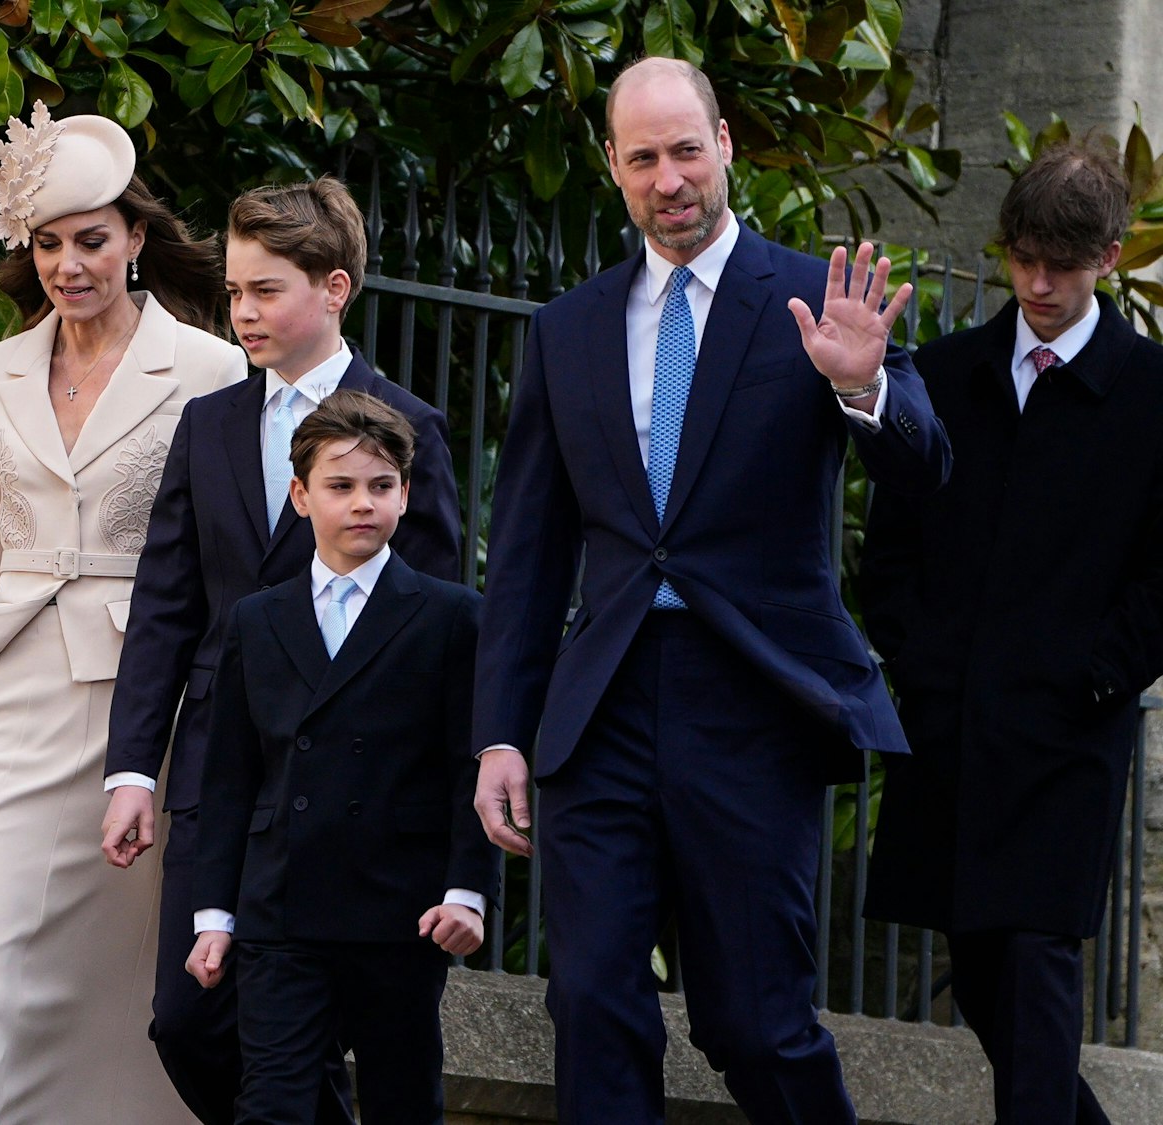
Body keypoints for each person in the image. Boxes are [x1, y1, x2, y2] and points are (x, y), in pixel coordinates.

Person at [470, 57, 951, 1124]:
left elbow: (927, 468)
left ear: (724, 143)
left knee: (752, 1020)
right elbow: (526, 556)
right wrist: (500, 732)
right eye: (641, 158)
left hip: (749, 707)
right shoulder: (567, 332)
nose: (667, 178)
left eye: (684, 150)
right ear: (611, 167)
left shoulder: (809, 300)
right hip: (598, 711)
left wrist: (862, 384)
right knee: (589, 1001)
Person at [0, 102, 243, 1124]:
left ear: (134, 239)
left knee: (110, 999)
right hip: (11, 704)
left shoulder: (208, 369)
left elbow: (225, 572)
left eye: (89, 239)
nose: (67, 264)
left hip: (144, 717)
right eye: (46, 243)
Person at [102, 177, 462, 1125]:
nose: (243, 312)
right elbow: (166, 606)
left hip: (362, 799)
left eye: (266, 290)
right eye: (234, 292)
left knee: (355, 1042)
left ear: (334, 288)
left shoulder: (409, 430)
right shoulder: (209, 422)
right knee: (188, 1022)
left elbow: (430, 629)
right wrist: (133, 765)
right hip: (224, 783)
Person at [861, 141, 1163, 1125]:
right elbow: (890, 535)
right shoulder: (945, 374)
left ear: (1107, 259)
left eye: (1060, 266)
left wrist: (1094, 677)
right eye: (1021, 258)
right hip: (949, 723)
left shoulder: (1152, 395)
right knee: (982, 975)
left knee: (1032, 962)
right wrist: (917, 661)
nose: (1035, 283)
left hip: (1066, 735)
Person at [186, 390, 491, 1125]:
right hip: (281, 906)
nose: (364, 503)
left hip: (402, 909)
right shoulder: (256, 620)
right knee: (273, 1108)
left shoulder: (452, 615)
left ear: (407, 494)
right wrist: (213, 914)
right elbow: (229, 775)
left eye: (382, 486)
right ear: (300, 495)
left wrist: (468, 891)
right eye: (341, 485)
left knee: (402, 1102)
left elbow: (470, 769)